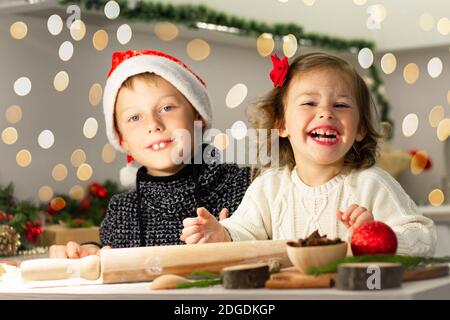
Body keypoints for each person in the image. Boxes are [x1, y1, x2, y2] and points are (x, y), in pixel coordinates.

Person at [180, 52, 436, 256]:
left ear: (360, 129)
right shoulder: (268, 187)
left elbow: (423, 237)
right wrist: (219, 234)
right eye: (309, 103)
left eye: (341, 105)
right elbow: (244, 232)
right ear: (281, 124)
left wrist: (377, 235)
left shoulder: (372, 184)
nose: (326, 113)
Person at [49, 50, 251, 258]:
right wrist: (90, 251)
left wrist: (230, 237)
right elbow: (110, 255)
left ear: (198, 116)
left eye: (166, 108)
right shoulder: (122, 212)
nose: (153, 125)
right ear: (122, 140)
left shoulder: (242, 186)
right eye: (135, 117)